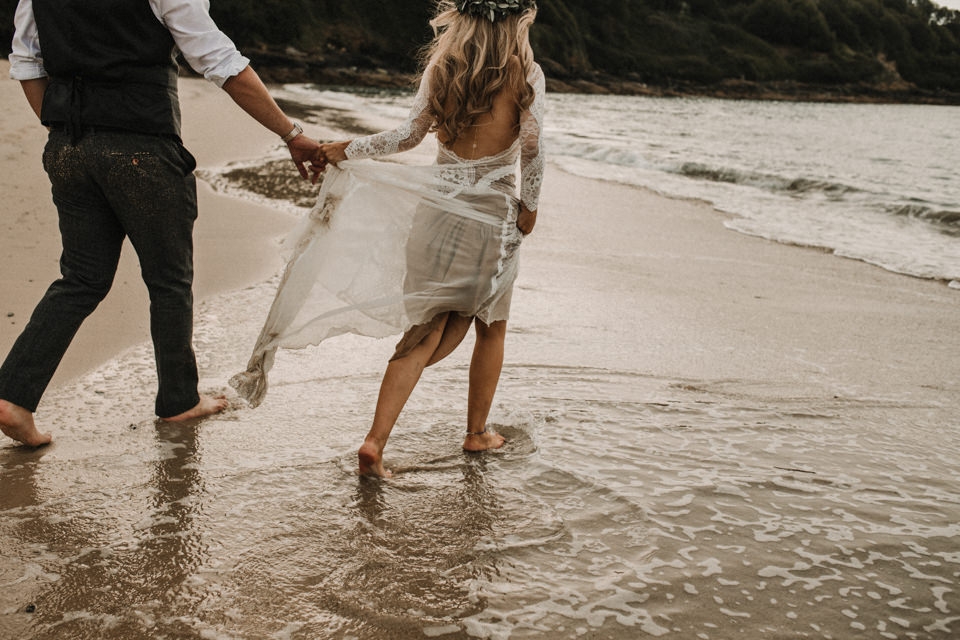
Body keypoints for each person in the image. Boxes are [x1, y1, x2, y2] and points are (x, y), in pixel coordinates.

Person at [229, 0, 543, 477]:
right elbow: (534, 149)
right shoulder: (527, 75)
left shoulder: (444, 67)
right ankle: (477, 433)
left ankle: (375, 442)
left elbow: (406, 136)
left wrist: (346, 149)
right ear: (517, 21)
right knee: (490, 326)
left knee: (421, 332)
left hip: (435, 210)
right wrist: (530, 206)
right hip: (492, 218)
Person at [0, 0, 325, 447]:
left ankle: (13, 397)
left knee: (81, 279)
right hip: (142, 147)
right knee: (169, 279)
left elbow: (27, 63)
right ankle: (178, 400)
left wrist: (71, 132)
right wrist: (291, 134)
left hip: (68, 146)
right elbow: (220, 61)